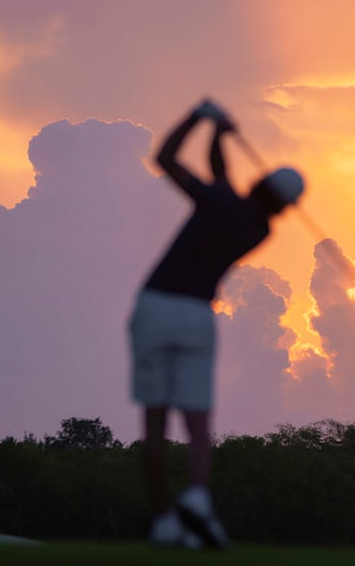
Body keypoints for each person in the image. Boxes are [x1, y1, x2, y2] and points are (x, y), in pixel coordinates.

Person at [129, 99, 304, 549]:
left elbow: (167, 158)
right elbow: (219, 170)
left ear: (259, 181)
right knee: (198, 423)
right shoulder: (261, 231)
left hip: (154, 306)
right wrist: (221, 134)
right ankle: (200, 499)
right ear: (284, 208)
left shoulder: (218, 198)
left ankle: (165, 519)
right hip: (196, 317)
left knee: (154, 424)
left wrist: (201, 119)